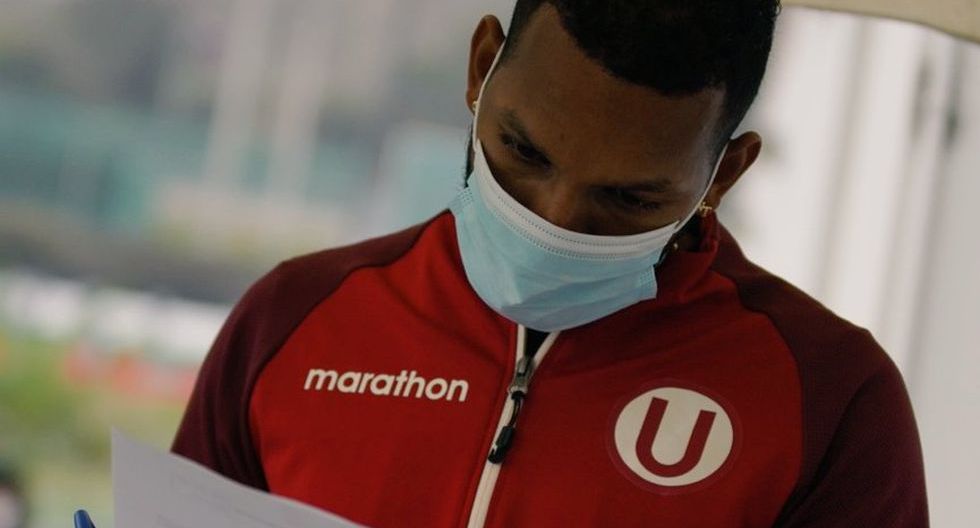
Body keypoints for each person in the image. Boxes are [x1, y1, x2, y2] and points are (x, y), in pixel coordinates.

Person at [173, 1, 928, 526]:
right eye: (523, 152)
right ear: (480, 68)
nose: (554, 222)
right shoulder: (294, 319)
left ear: (724, 174)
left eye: (629, 198)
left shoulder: (830, 400)